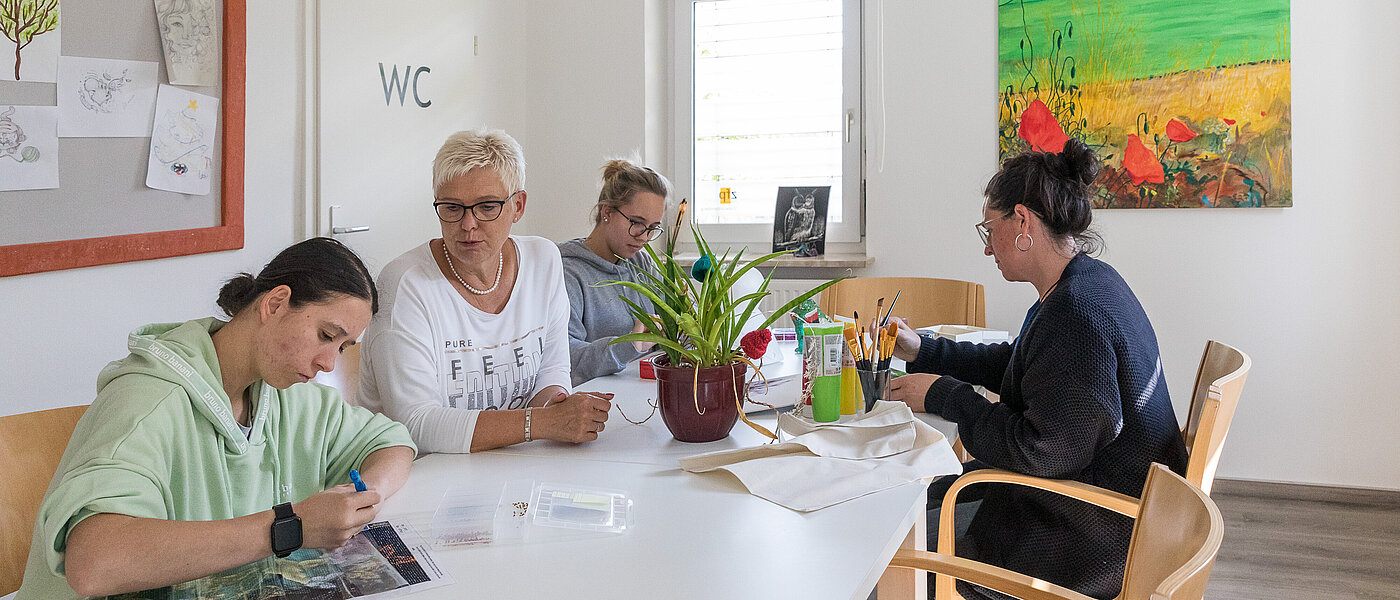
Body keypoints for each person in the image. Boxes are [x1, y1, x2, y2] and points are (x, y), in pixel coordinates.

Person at [16, 238, 417, 600]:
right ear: (275, 303)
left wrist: (363, 499)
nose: (328, 363)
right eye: (327, 336)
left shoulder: (283, 392)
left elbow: (392, 442)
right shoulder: (145, 402)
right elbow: (93, 564)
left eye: (344, 347)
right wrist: (289, 527)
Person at [886, 138, 1188, 600]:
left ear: (1022, 221)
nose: (988, 249)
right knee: (914, 506)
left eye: (990, 230)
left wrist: (945, 395)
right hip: (1095, 512)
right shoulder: (1084, 283)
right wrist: (922, 349)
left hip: (1083, 541)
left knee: (887, 556)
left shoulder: (1076, 314)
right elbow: (1022, 364)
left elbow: (1042, 452)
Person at [359, 128, 612, 454]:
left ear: (517, 206)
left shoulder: (543, 260)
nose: (467, 225)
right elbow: (415, 425)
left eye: (487, 206)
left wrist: (561, 407)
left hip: (504, 464)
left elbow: (553, 369)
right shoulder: (406, 284)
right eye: (452, 208)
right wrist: (543, 423)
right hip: (418, 478)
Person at [558, 159, 669, 385]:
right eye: (637, 223)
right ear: (607, 211)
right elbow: (564, 358)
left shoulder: (641, 262)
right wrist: (629, 344)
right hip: (596, 401)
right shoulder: (567, 271)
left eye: (652, 228)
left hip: (642, 393)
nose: (644, 237)